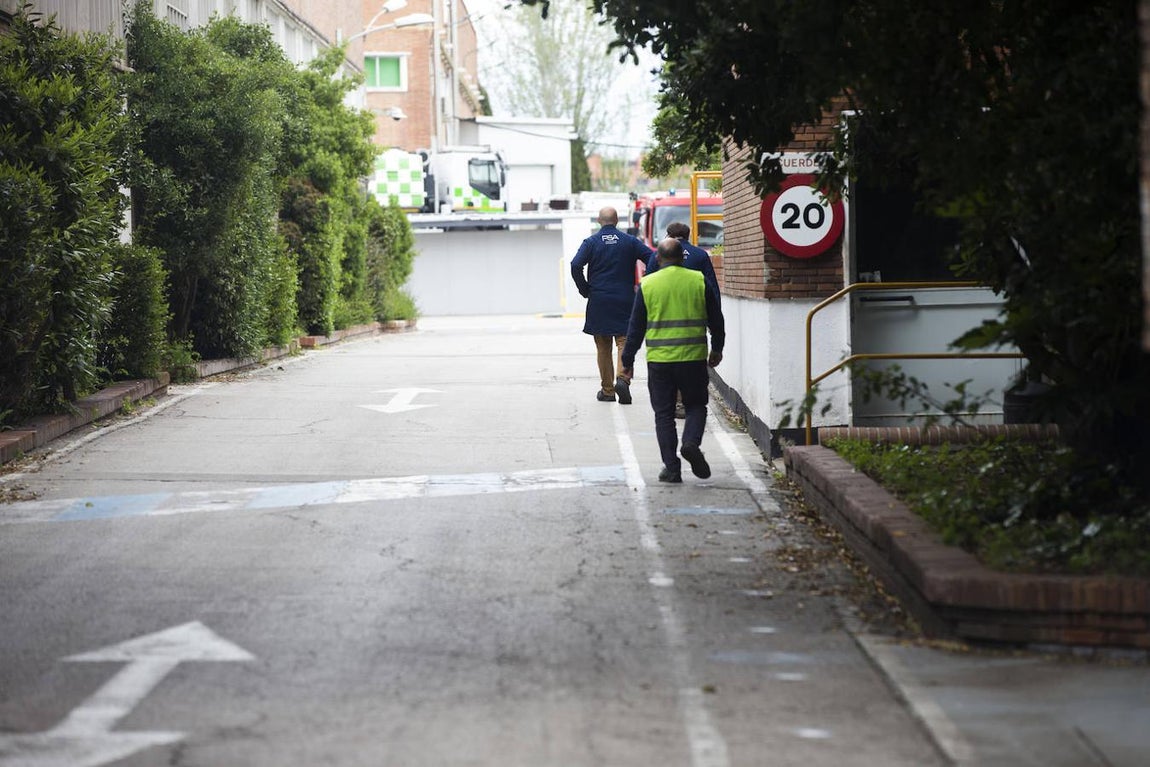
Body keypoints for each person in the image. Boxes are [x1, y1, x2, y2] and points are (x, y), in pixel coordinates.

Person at [621, 237, 725, 483]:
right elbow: (716, 319)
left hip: (660, 361)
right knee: (696, 405)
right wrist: (718, 348)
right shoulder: (698, 280)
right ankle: (690, 443)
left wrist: (627, 360)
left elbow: (635, 327)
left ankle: (672, 468)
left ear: (658, 259)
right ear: (682, 257)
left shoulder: (648, 284)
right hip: (693, 358)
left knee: (664, 414)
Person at [571, 207, 653, 403]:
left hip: (599, 299)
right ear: (616, 221)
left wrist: (585, 290)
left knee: (603, 346)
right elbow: (652, 258)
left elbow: (575, 265)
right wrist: (645, 283)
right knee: (624, 341)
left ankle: (607, 391)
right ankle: (623, 379)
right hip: (625, 299)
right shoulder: (630, 242)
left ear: (599, 220)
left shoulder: (591, 243)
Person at [645, 221, 721, 306]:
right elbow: (712, 286)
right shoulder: (700, 254)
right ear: (688, 236)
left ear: (668, 236)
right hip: (694, 309)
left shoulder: (658, 254)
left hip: (663, 306)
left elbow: (648, 281)